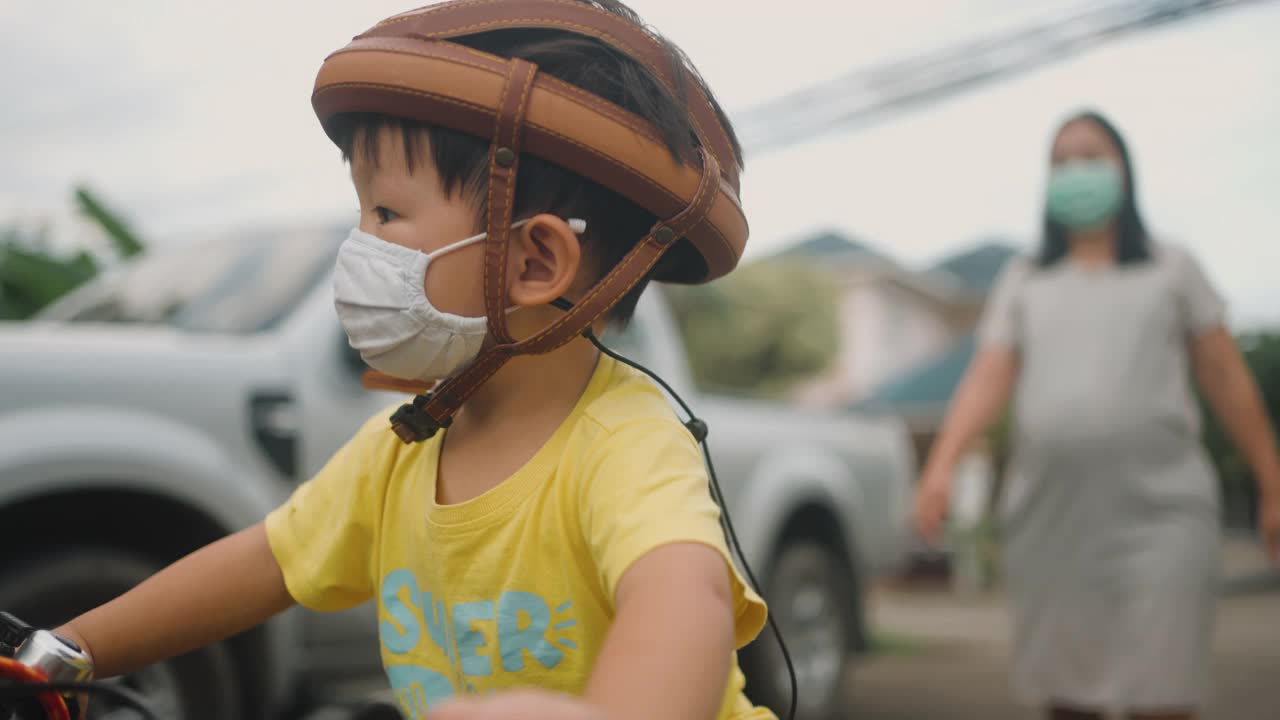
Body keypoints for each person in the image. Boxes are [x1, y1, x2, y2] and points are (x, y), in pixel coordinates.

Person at [45, 2, 775, 719]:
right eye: (360, 212)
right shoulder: (402, 447)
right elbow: (265, 563)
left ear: (535, 260)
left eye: (387, 214)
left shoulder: (626, 444)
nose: (358, 245)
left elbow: (685, 596)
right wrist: (72, 651)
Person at [913, 110, 1280, 720]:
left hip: (1164, 514)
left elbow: (1225, 376)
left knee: (1163, 694)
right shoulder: (1026, 277)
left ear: (1124, 171)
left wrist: (1272, 482)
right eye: (1062, 161)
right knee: (1069, 696)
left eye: (1092, 156)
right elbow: (988, 375)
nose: (1077, 171)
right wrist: (941, 465)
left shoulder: (1171, 266)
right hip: (1053, 521)